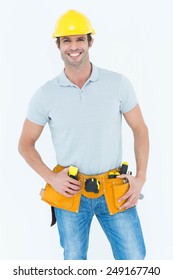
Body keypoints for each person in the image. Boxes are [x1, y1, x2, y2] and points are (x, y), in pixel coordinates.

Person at [18, 9, 149, 260]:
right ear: (58, 45)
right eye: (67, 40)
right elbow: (25, 144)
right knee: (74, 263)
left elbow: (140, 129)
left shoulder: (118, 84)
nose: (74, 46)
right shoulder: (45, 95)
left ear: (90, 42)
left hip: (115, 189)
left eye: (80, 39)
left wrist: (141, 177)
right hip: (71, 191)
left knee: (134, 260)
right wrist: (52, 178)